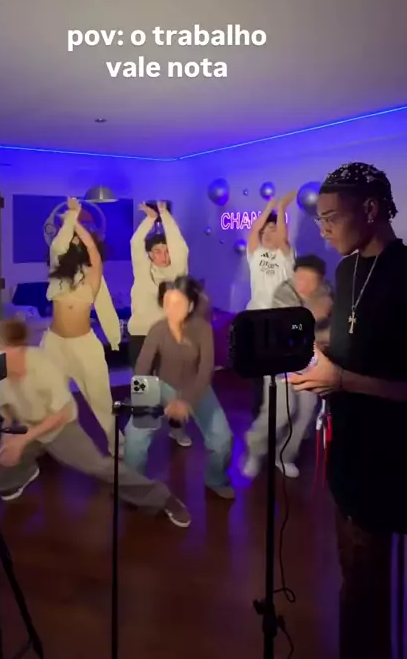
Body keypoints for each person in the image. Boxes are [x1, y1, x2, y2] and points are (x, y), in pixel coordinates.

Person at [290, 162, 407, 659]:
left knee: (374, 593)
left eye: (331, 217)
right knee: (355, 582)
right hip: (348, 456)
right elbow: (352, 343)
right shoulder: (345, 270)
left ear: (372, 209)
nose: (322, 229)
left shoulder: (404, 274)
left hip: (391, 461)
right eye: (319, 219)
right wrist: (315, 353)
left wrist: (341, 380)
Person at [0, 319, 191, 528]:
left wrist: (23, 441)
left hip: (59, 428)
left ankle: (163, 498)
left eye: (0, 347)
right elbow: (5, 408)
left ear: (16, 347)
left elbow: (62, 413)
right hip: (26, 428)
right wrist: (7, 436)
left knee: (99, 467)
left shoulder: (43, 364)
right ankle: (22, 474)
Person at [124, 276, 234, 500]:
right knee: (133, 436)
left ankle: (215, 479)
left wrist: (186, 402)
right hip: (160, 386)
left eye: (177, 304)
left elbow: (205, 371)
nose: (170, 309)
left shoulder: (203, 329)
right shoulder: (157, 329)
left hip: (196, 387)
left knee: (223, 439)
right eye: (167, 303)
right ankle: (133, 486)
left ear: (190, 306)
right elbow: (142, 368)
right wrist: (147, 399)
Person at [42, 197, 123, 456]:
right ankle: (46, 441)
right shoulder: (58, 271)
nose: (75, 244)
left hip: (84, 345)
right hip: (54, 343)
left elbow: (93, 250)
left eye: (80, 242)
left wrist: (75, 218)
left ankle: (116, 442)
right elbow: (58, 245)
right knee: (48, 396)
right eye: (73, 242)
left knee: (100, 399)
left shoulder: (93, 273)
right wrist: (70, 222)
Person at [243, 254, 333, 479]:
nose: (302, 284)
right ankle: (255, 450)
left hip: (310, 361)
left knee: (305, 413)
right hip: (279, 358)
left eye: (309, 280)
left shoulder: (328, 295)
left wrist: (316, 332)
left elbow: (330, 334)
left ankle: (284, 456)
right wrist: (315, 317)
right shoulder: (284, 292)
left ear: (320, 281)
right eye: (299, 277)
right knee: (282, 411)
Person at [128, 202, 192, 448]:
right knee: (144, 385)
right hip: (141, 335)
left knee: (174, 386)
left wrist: (164, 215)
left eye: (166, 251)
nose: (163, 256)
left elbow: (181, 248)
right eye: (157, 251)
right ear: (150, 255)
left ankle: (177, 429)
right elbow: (136, 243)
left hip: (169, 337)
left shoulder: (177, 273)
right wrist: (150, 219)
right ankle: (143, 434)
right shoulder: (142, 271)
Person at [246, 190, 297, 416]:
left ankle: (278, 415)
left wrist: (282, 208)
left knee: (277, 373)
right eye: (265, 230)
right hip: (256, 319)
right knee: (257, 372)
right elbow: (253, 231)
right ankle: (258, 414)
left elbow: (283, 240)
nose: (268, 234)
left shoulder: (286, 256)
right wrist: (269, 208)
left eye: (273, 229)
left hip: (279, 321)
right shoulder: (255, 254)